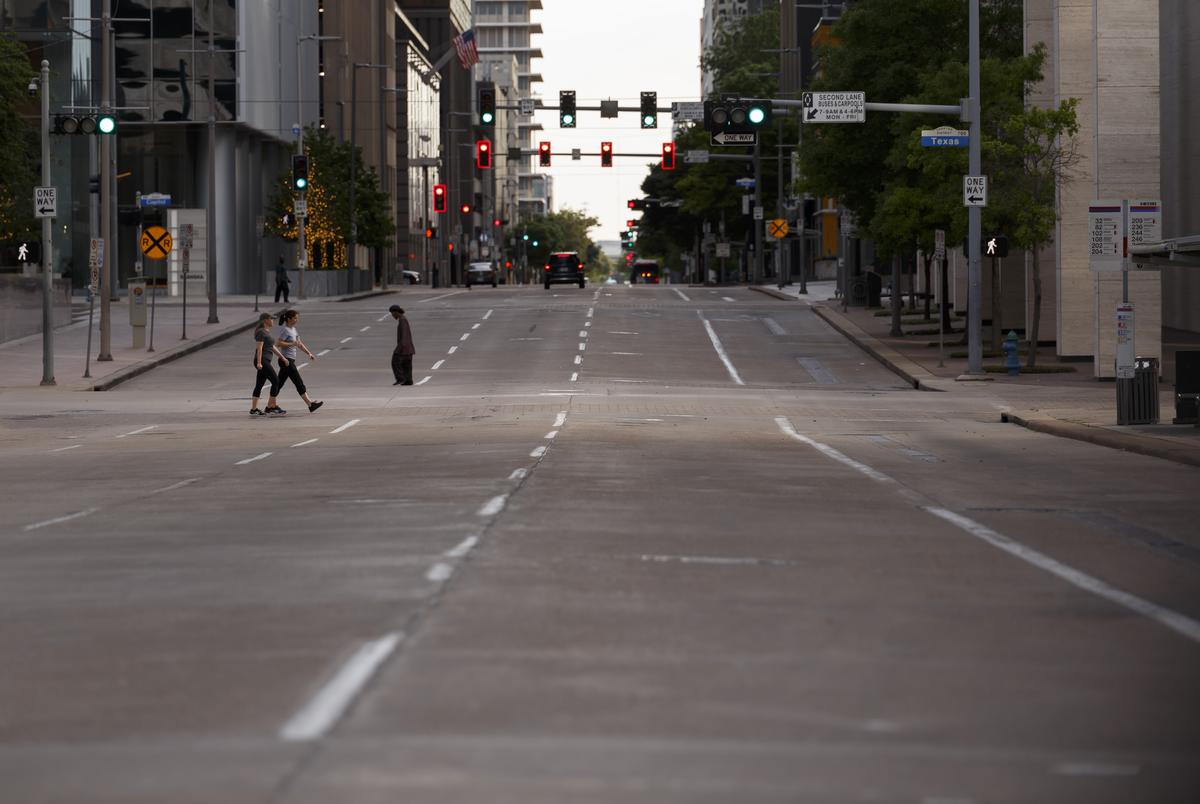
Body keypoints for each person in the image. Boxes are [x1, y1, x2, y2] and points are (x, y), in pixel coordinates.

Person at [274, 309, 324, 413]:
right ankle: (310, 404)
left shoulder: (294, 330)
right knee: (298, 382)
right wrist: (291, 344)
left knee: (278, 384)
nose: (297, 320)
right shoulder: (285, 330)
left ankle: (271, 405)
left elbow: (299, 343)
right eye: (295, 318)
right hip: (286, 360)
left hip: (289, 360)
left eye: (297, 318)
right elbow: (278, 344)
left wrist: (309, 353)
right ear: (289, 319)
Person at [251, 312, 288, 416]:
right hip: (262, 360)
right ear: (265, 320)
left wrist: (282, 357)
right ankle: (271, 407)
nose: (273, 320)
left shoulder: (266, 332)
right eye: (271, 319)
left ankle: (254, 409)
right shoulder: (261, 332)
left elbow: (272, 347)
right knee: (276, 381)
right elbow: (259, 349)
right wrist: (259, 363)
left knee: (259, 385)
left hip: (265, 361)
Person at [390, 304, 414, 385]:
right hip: (408, 347)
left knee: (395, 362)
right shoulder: (403, 319)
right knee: (406, 364)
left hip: (404, 347)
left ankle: (401, 379)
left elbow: (404, 335)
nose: (392, 316)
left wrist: (400, 347)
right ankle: (408, 380)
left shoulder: (402, 320)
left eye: (393, 314)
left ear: (396, 312)